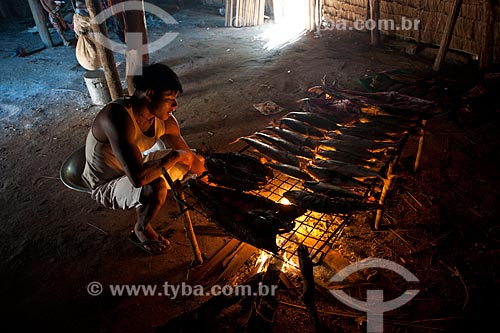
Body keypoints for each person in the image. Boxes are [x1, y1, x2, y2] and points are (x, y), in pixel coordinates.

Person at [82, 63, 206, 255]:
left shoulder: (164, 120)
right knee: (154, 185)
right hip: (106, 183)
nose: (175, 106)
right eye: (170, 100)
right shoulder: (117, 117)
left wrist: (208, 179)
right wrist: (174, 156)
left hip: (135, 166)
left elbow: (189, 158)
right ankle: (141, 229)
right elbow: (139, 179)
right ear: (149, 94)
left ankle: (166, 196)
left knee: (194, 158)